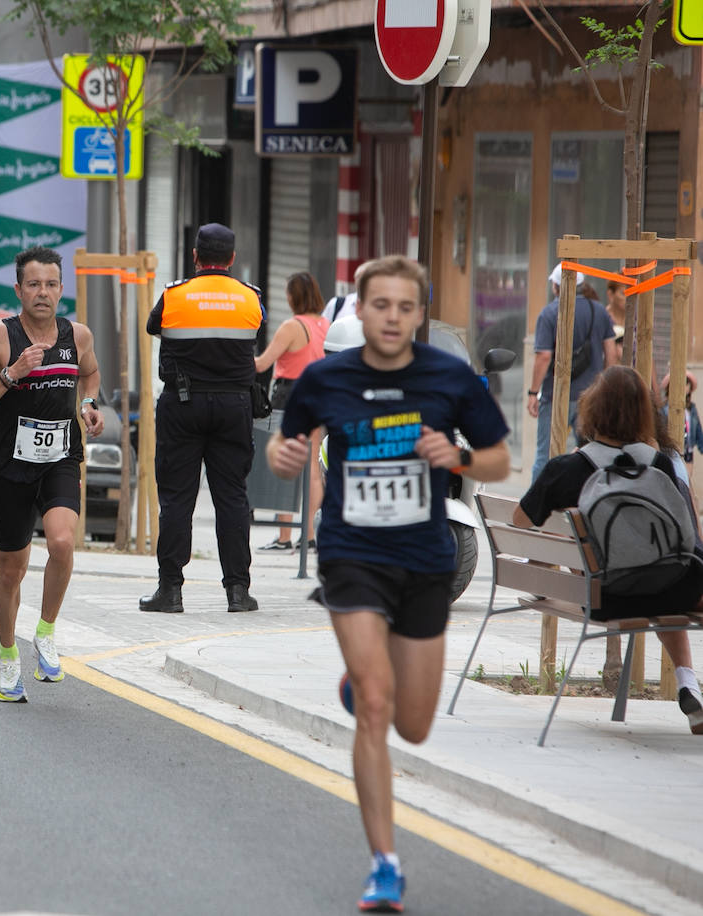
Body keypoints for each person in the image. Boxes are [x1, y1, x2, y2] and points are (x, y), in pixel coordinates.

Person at [266, 255, 511, 912]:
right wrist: (284, 455)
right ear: (360, 309)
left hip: (425, 560)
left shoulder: (448, 378)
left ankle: (365, 682)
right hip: (352, 554)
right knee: (377, 708)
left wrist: (459, 456)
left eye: (406, 307)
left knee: (416, 725)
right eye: (382, 305)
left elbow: (499, 460)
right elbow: (285, 448)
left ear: (420, 313)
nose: (393, 317)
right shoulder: (326, 377)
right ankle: (384, 864)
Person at [514, 365, 703, 735]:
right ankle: (688, 683)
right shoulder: (661, 464)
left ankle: (690, 685)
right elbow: (687, 537)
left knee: (648, 580)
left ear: (592, 408)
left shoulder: (565, 468)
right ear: (644, 414)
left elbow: (520, 522)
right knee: (667, 577)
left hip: (604, 596)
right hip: (669, 590)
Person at [0, 246, 102, 703]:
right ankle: (7, 655)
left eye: (51, 284)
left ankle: (45, 632)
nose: (43, 292)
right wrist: (12, 374)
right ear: (18, 289)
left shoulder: (77, 335)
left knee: (62, 542)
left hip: (61, 457)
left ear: (62, 289)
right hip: (14, 463)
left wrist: (88, 404)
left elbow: (91, 374)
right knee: (11, 570)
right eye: (34, 284)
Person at [139, 223, 264, 615]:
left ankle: (170, 591)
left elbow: (153, 327)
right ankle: (238, 592)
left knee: (177, 498)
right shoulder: (250, 297)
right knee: (232, 498)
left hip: (183, 404)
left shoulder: (174, 295)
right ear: (232, 258)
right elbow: (256, 330)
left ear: (195, 256)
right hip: (234, 407)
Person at [254, 271, 330, 551]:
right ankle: (309, 535)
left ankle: (284, 536)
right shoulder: (325, 324)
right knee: (312, 467)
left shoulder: (291, 326)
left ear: (294, 296)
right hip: (318, 396)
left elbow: (262, 364)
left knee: (285, 463)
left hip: (290, 396)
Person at [528, 265, 617, 479]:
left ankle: (540, 499)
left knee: (545, 456)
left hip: (555, 396)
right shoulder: (599, 312)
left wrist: (533, 392)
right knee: (592, 456)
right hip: (591, 397)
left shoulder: (549, 314)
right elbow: (611, 355)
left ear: (556, 286)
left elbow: (544, 357)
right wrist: (606, 391)